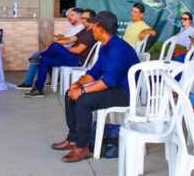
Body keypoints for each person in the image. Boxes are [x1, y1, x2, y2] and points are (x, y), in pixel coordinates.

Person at [51, 11, 139, 162]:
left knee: (84, 100)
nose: (91, 28)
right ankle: (73, 139)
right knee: (69, 94)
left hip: (125, 93)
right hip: (113, 88)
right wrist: (78, 84)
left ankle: (82, 147)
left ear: (100, 28)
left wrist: (82, 91)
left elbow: (108, 81)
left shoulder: (118, 48)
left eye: (93, 26)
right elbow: (94, 72)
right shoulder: (105, 46)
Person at [24, 9, 97, 98]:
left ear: (92, 19)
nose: (82, 21)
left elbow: (78, 50)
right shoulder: (85, 30)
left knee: (56, 47)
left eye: (85, 18)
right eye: (82, 18)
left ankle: (40, 56)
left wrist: (61, 49)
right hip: (72, 57)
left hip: (78, 60)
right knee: (44, 60)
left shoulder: (91, 32)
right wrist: (59, 41)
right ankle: (38, 89)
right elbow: (71, 39)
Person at [15, 7, 84, 90]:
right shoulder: (75, 28)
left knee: (44, 53)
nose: (69, 18)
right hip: (65, 51)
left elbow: (71, 44)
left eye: (72, 15)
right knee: (46, 54)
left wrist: (56, 42)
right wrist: (61, 38)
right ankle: (39, 85)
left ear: (80, 17)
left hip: (70, 55)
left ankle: (28, 82)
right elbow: (69, 40)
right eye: (68, 16)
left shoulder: (82, 29)